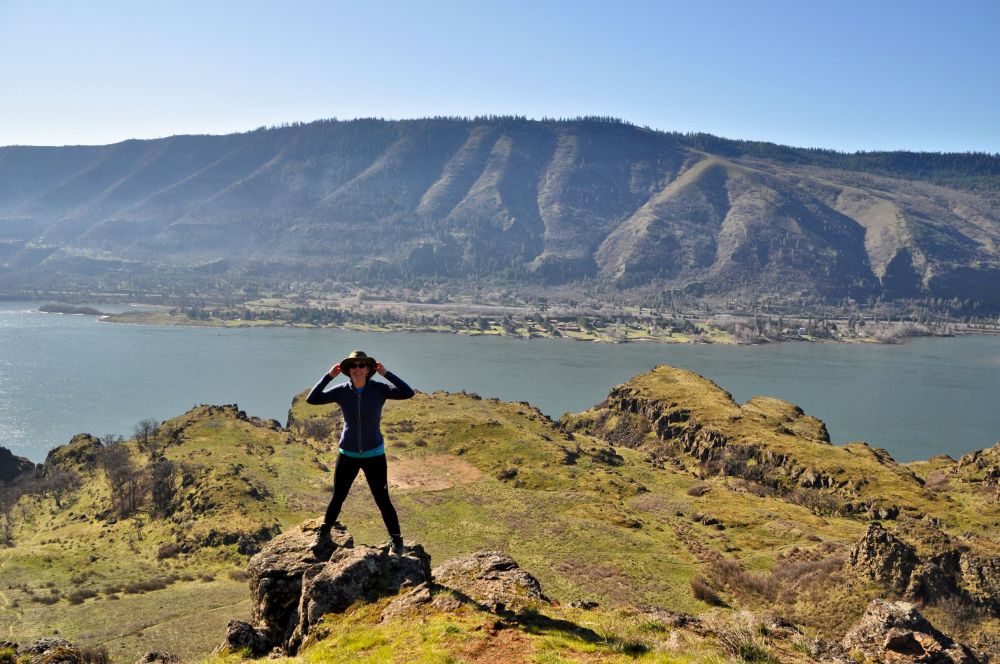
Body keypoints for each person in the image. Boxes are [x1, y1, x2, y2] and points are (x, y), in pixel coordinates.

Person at [305, 350, 414, 554]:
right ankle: (324, 534)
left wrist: (387, 374)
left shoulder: (380, 389)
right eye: (353, 366)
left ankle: (397, 541)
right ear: (347, 370)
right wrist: (329, 376)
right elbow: (312, 399)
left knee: (382, 499)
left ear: (369, 369)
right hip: (347, 455)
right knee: (338, 496)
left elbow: (408, 393)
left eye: (361, 365)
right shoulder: (341, 391)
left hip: (374, 455)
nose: (357, 369)